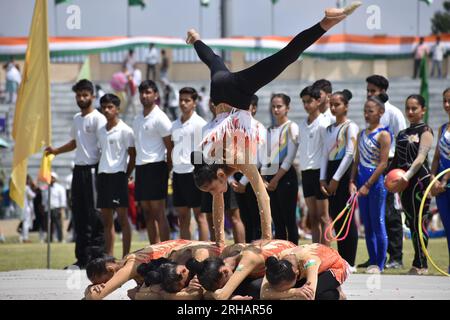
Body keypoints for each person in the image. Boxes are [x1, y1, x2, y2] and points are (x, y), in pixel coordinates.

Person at [187, 1, 362, 244]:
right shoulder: (209, 166)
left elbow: (263, 196)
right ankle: (195, 38)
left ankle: (326, 23)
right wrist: (219, 244)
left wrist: (267, 239)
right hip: (219, 87)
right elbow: (218, 201)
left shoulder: (236, 160)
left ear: (219, 174)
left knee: (284, 57)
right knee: (216, 61)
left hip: (236, 94)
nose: (216, 194)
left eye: (213, 188)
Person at [45, 79, 106, 269]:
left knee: (94, 215)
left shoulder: (99, 118)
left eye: (85, 95)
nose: (81, 98)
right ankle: (81, 258)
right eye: (78, 95)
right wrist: (55, 151)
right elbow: (74, 143)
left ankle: (96, 258)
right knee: (78, 214)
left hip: (93, 170)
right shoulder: (77, 119)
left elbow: (104, 145)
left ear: (93, 96)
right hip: (78, 171)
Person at [358, 75, 407, 270]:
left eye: (373, 91)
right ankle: (375, 258)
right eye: (368, 90)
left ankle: (395, 256)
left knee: (390, 215)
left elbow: (402, 142)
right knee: (370, 220)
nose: (369, 94)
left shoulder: (393, 113)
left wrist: (399, 171)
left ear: (383, 92)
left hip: (389, 167)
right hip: (370, 169)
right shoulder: (368, 118)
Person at [388, 95, 434, 275]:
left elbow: (421, 158)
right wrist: (387, 179)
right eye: (408, 108)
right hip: (403, 183)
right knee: (410, 222)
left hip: (419, 182)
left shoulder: (426, 131)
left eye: (414, 108)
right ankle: (418, 260)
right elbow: (396, 161)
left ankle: (421, 263)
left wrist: (406, 176)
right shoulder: (402, 134)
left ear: (423, 110)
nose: (410, 112)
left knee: (419, 222)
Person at [84, 239, 219, 300]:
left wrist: (90, 290)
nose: (104, 286)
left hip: (205, 254)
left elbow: (95, 297)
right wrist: (90, 288)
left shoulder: (131, 265)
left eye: (102, 282)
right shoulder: (129, 259)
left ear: (110, 270)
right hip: (200, 251)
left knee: (142, 294)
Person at [350, 94, 391, 274]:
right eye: (365, 111)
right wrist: (352, 181)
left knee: (378, 222)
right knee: (367, 224)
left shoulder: (384, 134)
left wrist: (367, 184)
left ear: (380, 112)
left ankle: (380, 263)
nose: (367, 114)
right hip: (361, 182)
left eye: (371, 111)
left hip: (375, 184)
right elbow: (356, 161)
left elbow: (383, 163)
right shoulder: (361, 134)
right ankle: (372, 261)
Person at [320, 90, 359, 271]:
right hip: (330, 173)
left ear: (346, 106)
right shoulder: (328, 128)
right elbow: (325, 154)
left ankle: (350, 261)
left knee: (347, 219)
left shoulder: (351, 126)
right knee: (336, 217)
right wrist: (322, 178)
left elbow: (350, 154)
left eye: (338, 104)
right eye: (332, 104)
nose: (334, 108)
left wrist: (335, 179)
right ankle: (342, 260)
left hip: (343, 175)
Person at [186, 239, 297, 300]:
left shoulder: (248, 258)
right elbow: (208, 294)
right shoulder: (218, 262)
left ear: (224, 271)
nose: (223, 287)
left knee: (254, 288)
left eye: (222, 284)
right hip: (267, 268)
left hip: (288, 266)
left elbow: (221, 296)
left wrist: (222, 294)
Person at [133, 80, 173, 244]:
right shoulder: (137, 119)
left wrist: (166, 170)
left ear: (156, 95)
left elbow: (170, 147)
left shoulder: (161, 118)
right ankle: (154, 253)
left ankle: (166, 253)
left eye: (148, 92)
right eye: (142, 92)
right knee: (147, 213)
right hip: (141, 168)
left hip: (157, 167)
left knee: (159, 213)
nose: (144, 95)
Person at [97, 93, 136, 257]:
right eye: (104, 107)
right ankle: (109, 255)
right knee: (106, 220)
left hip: (118, 176)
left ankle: (126, 256)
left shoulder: (126, 130)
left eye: (110, 107)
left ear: (117, 109)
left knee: (122, 219)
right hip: (103, 176)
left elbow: (132, 154)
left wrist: (126, 174)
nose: (106, 110)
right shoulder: (100, 131)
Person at [170, 87, 208, 240]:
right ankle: (185, 253)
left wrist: (199, 173)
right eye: (181, 100)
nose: (183, 103)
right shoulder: (174, 124)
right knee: (182, 218)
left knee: (200, 218)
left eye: (187, 100)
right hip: (178, 174)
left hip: (193, 174)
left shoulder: (200, 123)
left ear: (194, 102)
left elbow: (203, 150)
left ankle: (205, 255)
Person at [262, 94, 299, 244]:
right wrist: (264, 178)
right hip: (270, 177)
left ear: (287, 108)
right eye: (273, 106)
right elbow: (264, 156)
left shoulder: (291, 127)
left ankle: (294, 253)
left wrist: (276, 179)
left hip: (285, 176)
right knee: (277, 219)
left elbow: (289, 158)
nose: (276, 110)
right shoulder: (269, 129)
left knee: (289, 218)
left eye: (279, 106)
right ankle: (281, 253)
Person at [299, 86, 330, 245]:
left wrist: (324, 177)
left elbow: (326, 152)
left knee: (324, 216)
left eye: (309, 101)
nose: (306, 105)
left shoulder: (324, 123)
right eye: (304, 102)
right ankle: (316, 250)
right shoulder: (302, 124)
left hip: (319, 172)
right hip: (306, 172)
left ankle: (328, 252)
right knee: (313, 217)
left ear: (318, 101)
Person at [261, 243, 349, 300]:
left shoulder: (310, 262)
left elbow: (310, 296)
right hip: (309, 270)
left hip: (335, 266)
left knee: (318, 295)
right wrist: (294, 292)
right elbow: (263, 294)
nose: (285, 290)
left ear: (296, 273)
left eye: (285, 288)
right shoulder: (275, 265)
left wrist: (282, 295)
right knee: (255, 288)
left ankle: (339, 295)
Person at [231, 95, 264, 242]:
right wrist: (231, 178)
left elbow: (258, 157)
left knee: (255, 217)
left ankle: (256, 252)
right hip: (236, 177)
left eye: (247, 106)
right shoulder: (233, 128)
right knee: (244, 217)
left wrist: (244, 182)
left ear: (254, 108)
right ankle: (246, 251)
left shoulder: (259, 128)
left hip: (251, 178)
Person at [431, 88, 450, 274]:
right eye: (445, 101)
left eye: (449, 101)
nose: (447, 105)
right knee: (448, 226)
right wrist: (432, 178)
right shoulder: (442, 128)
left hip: (446, 182)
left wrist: (443, 180)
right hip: (441, 186)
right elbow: (437, 156)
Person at [42, 172, 67, 243]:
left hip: (57, 209)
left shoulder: (60, 188)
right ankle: (49, 239)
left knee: (58, 224)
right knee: (49, 225)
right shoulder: (45, 188)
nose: (51, 179)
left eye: (52, 178)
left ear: (55, 179)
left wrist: (61, 209)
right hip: (48, 209)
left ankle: (60, 239)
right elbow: (44, 200)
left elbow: (63, 199)